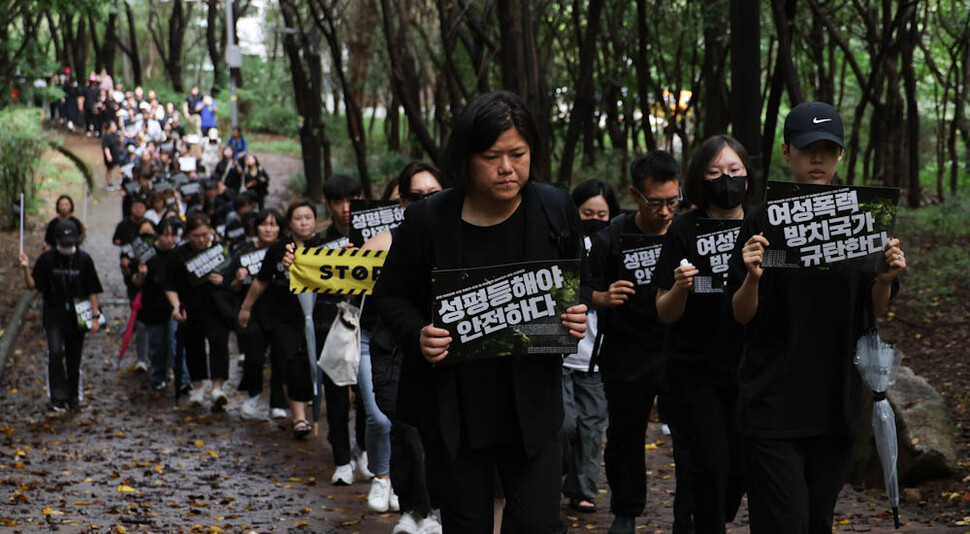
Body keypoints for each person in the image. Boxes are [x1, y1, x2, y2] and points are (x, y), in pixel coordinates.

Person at [372, 91, 588, 532]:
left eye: (518, 154)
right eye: (492, 156)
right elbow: (389, 297)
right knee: (466, 523)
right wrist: (418, 334)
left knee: (537, 524)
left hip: (533, 409)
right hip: (456, 414)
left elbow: (575, 278)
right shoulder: (428, 221)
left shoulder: (555, 207)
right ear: (467, 158)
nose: (507, 168)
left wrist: (576, 313)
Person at [729, 102, 906, 534]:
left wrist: (885, 278)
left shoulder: (862, 218)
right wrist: (751, 277)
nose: (817, 159)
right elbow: (741, 314)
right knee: (782, 522)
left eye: (828, 150)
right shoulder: (759, 218)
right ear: (787, 151)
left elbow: (873, 306)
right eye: (808, 148)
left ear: (841, 155)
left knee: (817, 522)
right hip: (773, 402)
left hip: (835, 402)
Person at [654, 135, 756, 533]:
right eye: (714, 173)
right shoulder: (683, 230)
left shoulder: (761, 224)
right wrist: (679, 286)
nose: (725, 180)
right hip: (693, 375)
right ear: (700, 179)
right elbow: (663, 311)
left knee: (740, 467)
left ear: (748, 177)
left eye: (734, 171)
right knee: (709, 467)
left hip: (750, 371)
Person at [584, 150, 681, 534]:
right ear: (635, 195)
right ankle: (626, 511)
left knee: (692, 432)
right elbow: (577, 288)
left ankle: (689, 513)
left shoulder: (686, 230)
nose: (664, 211)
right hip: (626, 349)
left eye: (673, 201)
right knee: (625, 435)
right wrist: (602, 298)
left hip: (678, 347)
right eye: (655, 202)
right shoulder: (612, 236)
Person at [359, 162, 443, 522]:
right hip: (394, 352)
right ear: (401, 202)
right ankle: (414, 511)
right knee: (405, 428)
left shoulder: (464, 240)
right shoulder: (383, 242)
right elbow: (336, 273)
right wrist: (296, 263)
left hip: (448, 351)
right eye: (415, 197)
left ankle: (437, 511)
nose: (425, 203)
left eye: (433, 195)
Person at [561, 179, 618, 515]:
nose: (594, 219)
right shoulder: (565, 243)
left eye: (602, 213)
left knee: (593, 427)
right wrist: (598, 298)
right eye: (587, 212)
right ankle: (554, 474)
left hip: (595, 360)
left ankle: (583, 490)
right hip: (560, 356)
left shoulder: (614, 247)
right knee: (565, 423)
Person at [19, 220, 104, 412]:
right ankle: (58, 395)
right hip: (54, 314)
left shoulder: (84, 260)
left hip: (77, 314)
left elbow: (92, 290)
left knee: (74, 358)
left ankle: (73, 397)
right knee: (56, 352)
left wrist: (95, 316)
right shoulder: (47, 259)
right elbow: (34, 286)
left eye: (70, 242)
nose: (67, 246)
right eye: (64, 242)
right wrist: (25, 267)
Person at [165, 213, 233, 408]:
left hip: (217, 307)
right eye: (196, 236)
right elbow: (169, 285)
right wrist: (176, 306)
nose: (202, 239)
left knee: (219, 343)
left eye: (205, 234)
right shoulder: (178, 255)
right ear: (187, 235)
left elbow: (234, 278)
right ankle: (197, 387)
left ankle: (217, 388)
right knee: (194, 346)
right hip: (191, 308)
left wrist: (224, 281)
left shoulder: (221, 251)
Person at [227, 209, 287, 420]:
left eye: (273, 224)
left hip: (280, 311)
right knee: (254, 357)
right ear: (256, 227)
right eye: (264, 224)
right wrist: (237, 279)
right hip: (252, 312)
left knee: (281, 357)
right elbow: (230, 287)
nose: (268, 229)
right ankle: (253, 395)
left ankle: (278, 403)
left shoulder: (286, 249)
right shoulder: (243, 251)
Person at [131, 217, 191, 392]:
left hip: (176, 306)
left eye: (173, 236)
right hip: (153, 306)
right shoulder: (147, 255)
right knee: (157, 344)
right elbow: (136, 283)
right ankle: (158, 376)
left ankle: (183, 378)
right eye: (165, 235)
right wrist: (142, 274)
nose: (169, 240)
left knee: (175, 341)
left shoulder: (180, 254)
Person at [102, 119, 124, 191]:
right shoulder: (106, 137)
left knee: (119, 168)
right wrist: (108, 155)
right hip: (110, 155)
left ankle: (120, 182)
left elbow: (119, 143)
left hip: (116, 154)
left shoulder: (115, 135)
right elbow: (105, 147)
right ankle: (108, 183)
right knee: (109, 169)